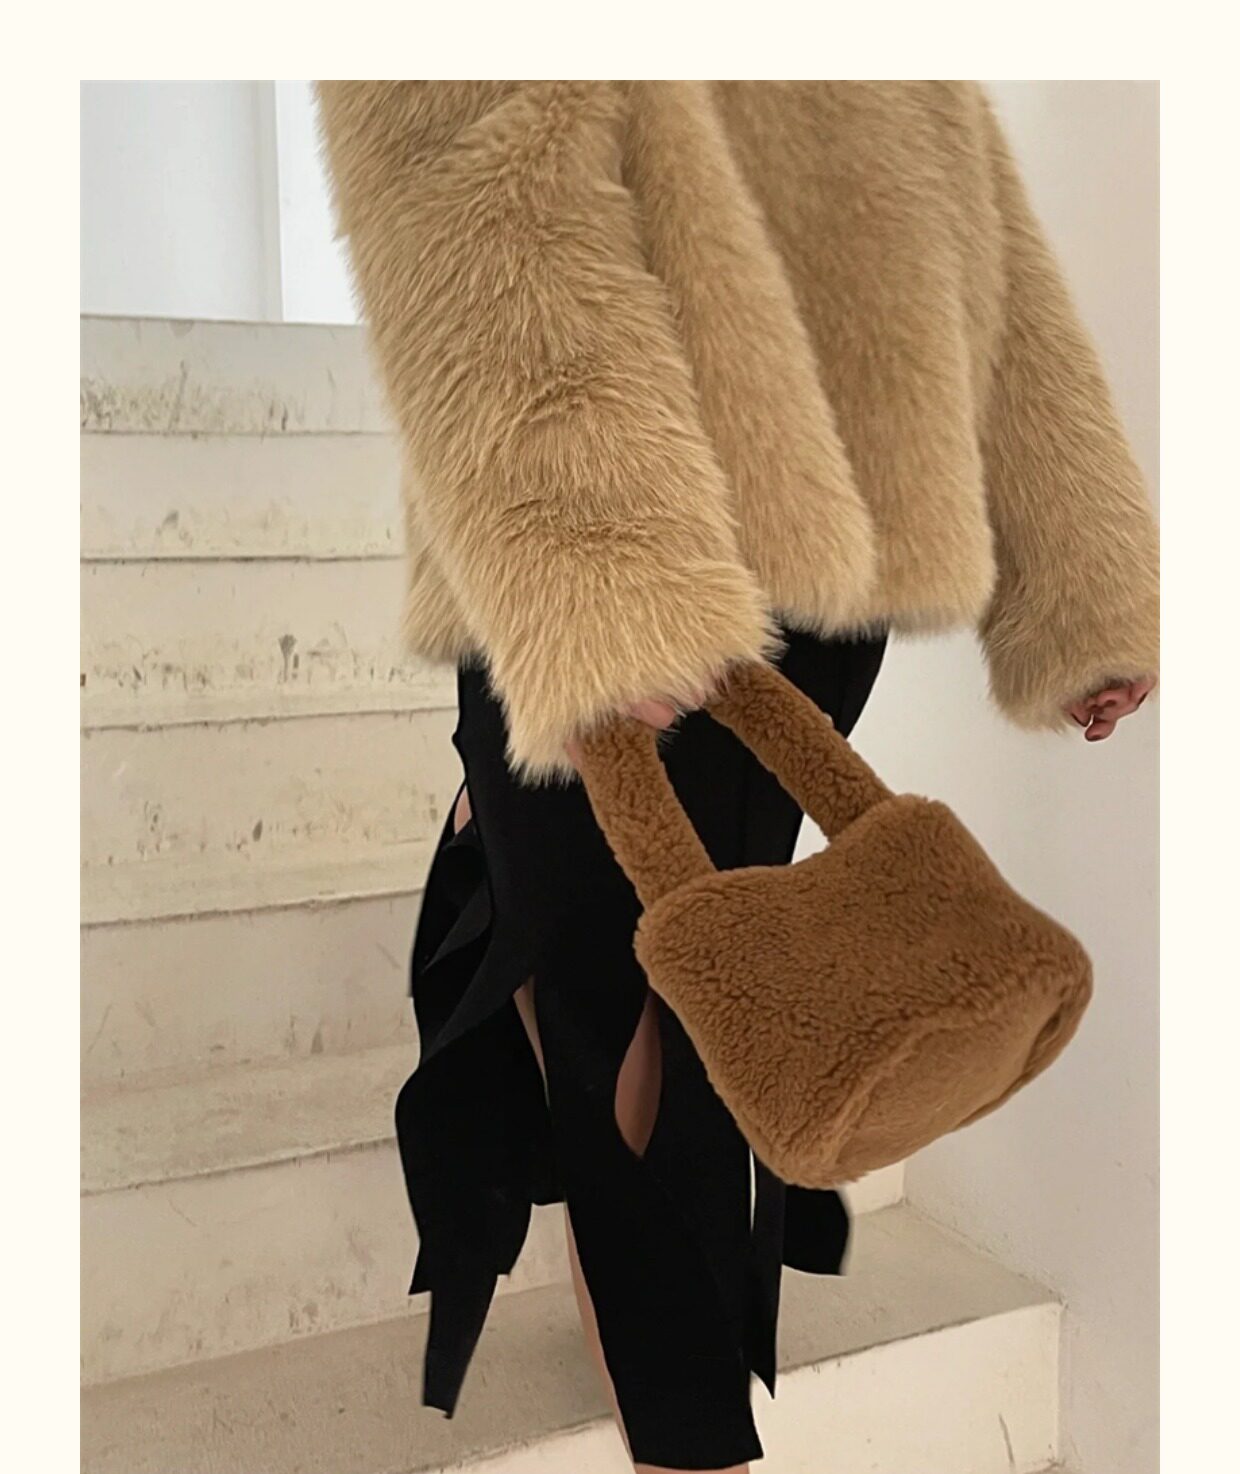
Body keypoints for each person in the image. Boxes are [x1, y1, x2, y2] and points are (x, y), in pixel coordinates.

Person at [315, 81, 1158, 1473]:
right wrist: (591, 551)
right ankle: (696, 1443)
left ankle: (500, 863)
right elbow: (458, 138)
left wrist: (1073, 574)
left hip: (826, 542)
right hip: (592, 523)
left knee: (715, 982)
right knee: (633, 1010)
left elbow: (975, 219)